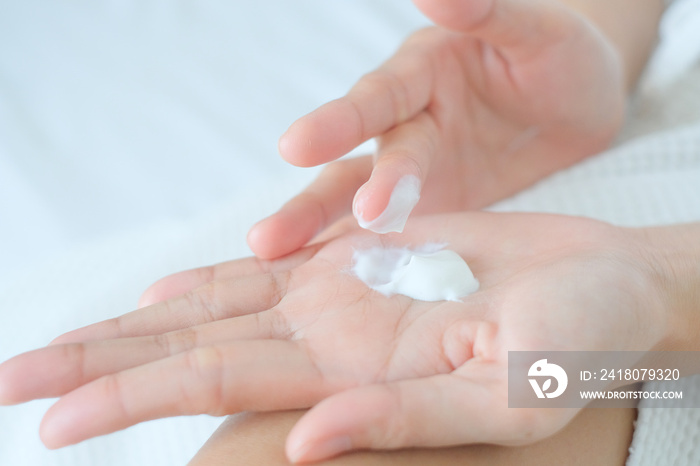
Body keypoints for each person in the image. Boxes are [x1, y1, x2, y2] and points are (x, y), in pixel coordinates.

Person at [1, 0, 697, 465]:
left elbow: (587, 373)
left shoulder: (595, 331)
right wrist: (588, 65)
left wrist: (661, 287)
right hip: (466, 226)